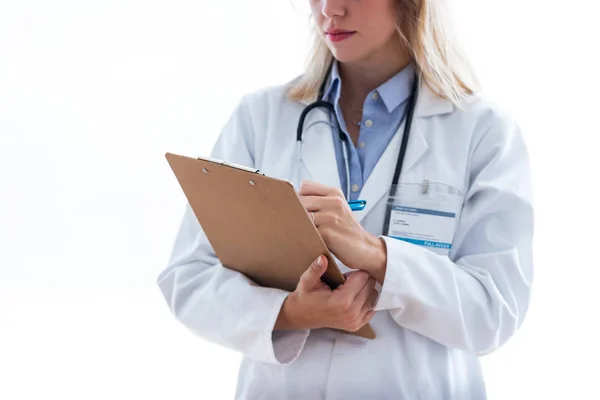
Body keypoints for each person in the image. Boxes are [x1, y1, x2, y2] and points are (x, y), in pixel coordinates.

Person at [157, 0, 534, 398]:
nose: (330, 10)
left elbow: (495, 311)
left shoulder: (483, 131)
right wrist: (290, 313)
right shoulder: (261, 117)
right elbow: (190, 277)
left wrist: (377, 256)